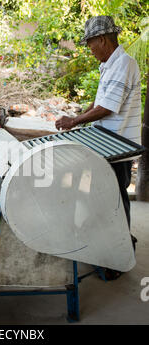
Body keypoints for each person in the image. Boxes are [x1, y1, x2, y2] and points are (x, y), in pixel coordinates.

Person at [55, 16, 141, 280]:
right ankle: (121, 241)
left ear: (102, 40)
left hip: (119, 145)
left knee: (114, 199)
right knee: (109, 197)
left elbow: (108, 107)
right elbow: (98, 104)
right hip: (109, 141)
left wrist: (75, 121)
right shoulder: (110, 65)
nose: (90, 50)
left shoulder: (124, 64)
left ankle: (120, 255)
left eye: (91, 44)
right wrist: (79, 117)